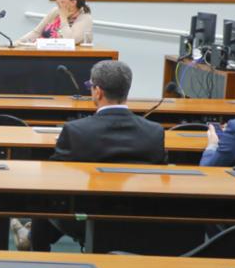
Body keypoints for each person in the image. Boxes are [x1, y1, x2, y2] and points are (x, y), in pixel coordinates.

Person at [27, 60, 166, 252]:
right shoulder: (154, 132)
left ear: (98, 91)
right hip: (140, 219)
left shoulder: (76, 131)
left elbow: (54, 176)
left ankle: (36, 252)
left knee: (43, 199)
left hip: (86, 218)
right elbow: (162, 178)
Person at [17, 0, 93, 46]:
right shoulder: (55, 11)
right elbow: (36, 33)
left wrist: (63, 17)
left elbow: (69, 41)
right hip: (40, 52)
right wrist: (17, 43)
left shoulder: (85, 18)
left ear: (73, 2)